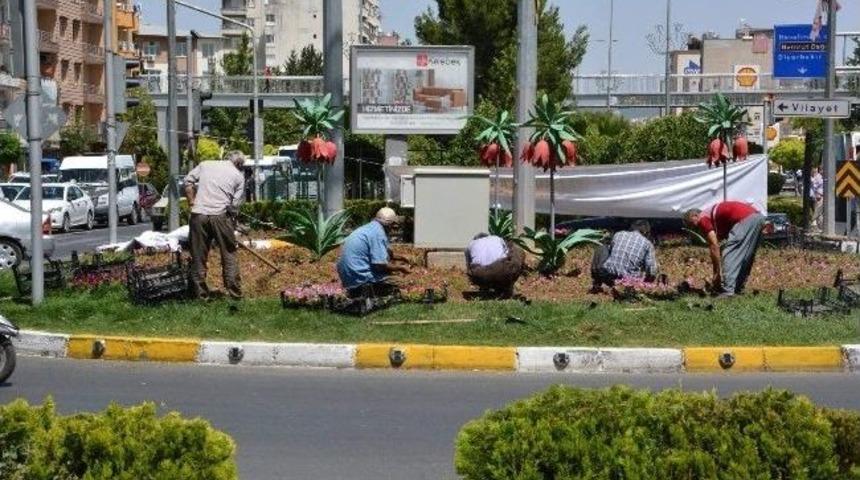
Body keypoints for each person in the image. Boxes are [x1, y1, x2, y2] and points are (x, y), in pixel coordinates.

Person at [184, 151, 246, 300]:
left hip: (199, 215)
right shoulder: (238, 176)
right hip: (221, 216)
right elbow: (234, 206)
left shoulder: (206, 164)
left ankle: (200, 295)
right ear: (239, 164)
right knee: (229, 254)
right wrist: (234, 223)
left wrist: (192, 202)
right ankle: (234, 294)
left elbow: (187, 181)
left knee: (198, 256)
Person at [683, 201, 765, 297]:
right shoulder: (713, 218)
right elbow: (719, 242)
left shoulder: (702, 218)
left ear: (695, 215)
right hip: (757, 217)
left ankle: (728, 291)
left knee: (729, 254)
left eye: (691, 225)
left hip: (745, 219)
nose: (694, 228)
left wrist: (716, 274)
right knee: (745, 257)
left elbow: (714, 246)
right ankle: (737, 289)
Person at [337, 207, 410, 298]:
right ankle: (372, 294)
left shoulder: (370, 228)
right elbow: (379, 265)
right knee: (402, 282)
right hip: (361, 279)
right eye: (393, 227)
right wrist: (400, 268)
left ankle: (358, 292)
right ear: (390, 224)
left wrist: (402, 258)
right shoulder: (378, 234)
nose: (393, 230)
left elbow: (386, 253)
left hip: (349, 277)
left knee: (390, 274)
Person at [590, 220, 658, 290]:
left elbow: (610, 252)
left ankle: (597, 283)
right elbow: (652, 271)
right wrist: (646, 283)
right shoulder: (648, 244)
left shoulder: (619, 234)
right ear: (646, 232)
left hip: (607, 274)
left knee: (602, 246)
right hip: (629, 281)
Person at [465, 233, 525, 298]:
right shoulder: (497, 238)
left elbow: (468, 267)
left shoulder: (470, 245)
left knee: (474, 268)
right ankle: (508, 287)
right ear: (488, 236)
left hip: (481, 275)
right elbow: (507, 252)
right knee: (517, 250)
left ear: (476, 239)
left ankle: (484, 287)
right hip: (503, 270)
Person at [810, 166, 824, 232]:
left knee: (819, 212)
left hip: (819, 196)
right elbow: (815, 187)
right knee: (818, 211)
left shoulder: (819, 177)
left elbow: (815, 187)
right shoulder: (817, 177)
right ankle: (815, 224)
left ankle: (818, 226)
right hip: (818, 196)